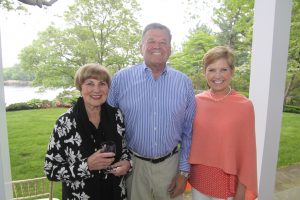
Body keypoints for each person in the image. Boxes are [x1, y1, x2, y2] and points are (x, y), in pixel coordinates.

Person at [107, 23, 196, 200]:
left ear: (170, 49)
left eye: (163, 42)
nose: (157, 46)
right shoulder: (120, 79)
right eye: (151, 41)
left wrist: (184, 172)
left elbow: (189, 131)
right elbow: (108, 124)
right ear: (141, 47)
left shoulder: (184, 83)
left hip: (171, 166)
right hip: (134, 167)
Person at [44, 63, 131, 200]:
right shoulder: (65, 123)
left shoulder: (116, 116)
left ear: (108, 88)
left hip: (115, 194)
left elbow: (125, 150)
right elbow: (51, 170)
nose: (96, 90)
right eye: (90, 83)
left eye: (102, 83)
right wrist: (87, 165)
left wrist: (127, 164)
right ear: (80, 87)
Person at [189, 46, 258, 200]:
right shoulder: (196, 102)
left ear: (232, 71)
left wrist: (242, 189)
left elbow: (247, 152)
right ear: (205, 72)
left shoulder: (244, 106)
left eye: (224, 69)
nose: (217, 75)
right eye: (211, 70)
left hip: (227, 181)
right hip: (199, 177)